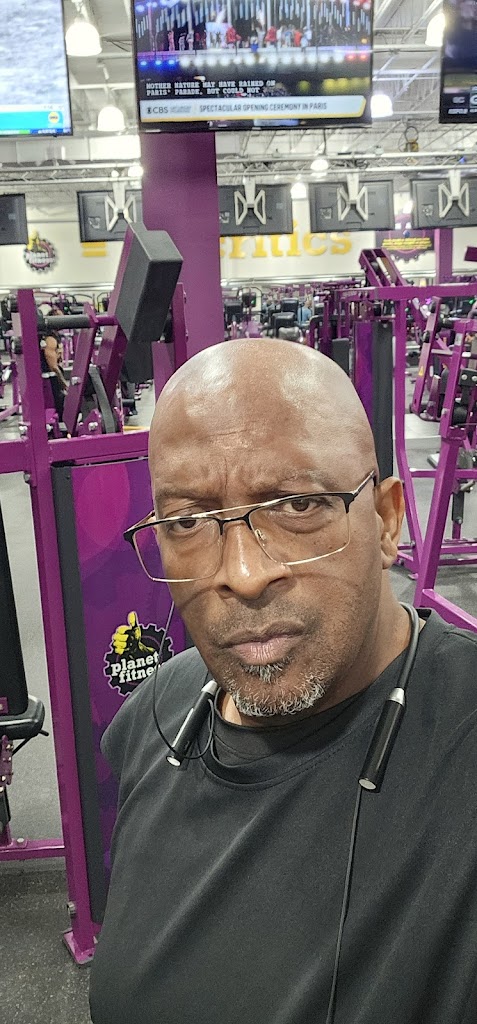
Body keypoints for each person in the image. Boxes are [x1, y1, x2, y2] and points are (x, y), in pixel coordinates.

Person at [89, 339, 477, 1024]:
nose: (242, 574)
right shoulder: (155, 715)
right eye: (188, 521)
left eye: (297, 505)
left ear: (385, 520)